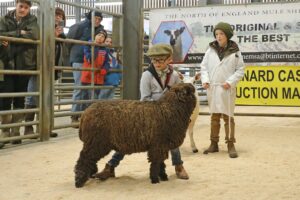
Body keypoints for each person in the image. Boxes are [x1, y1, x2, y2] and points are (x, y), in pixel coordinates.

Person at [94, 43, 189, 180]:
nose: (157, 63)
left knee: (172, 139)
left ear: (169, 59)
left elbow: (180, 96)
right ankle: (110, 166)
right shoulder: (147, 75)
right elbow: (144, 98)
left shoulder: (174, 76)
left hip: (167, 118)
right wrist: (161, 106)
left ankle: (178, 166)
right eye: (154, 60)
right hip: (149, 116)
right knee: (128, 139)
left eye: (160, 60)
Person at [200, 22, 245, 158]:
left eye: (221, 34)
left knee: (228, 117)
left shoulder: (235, 52)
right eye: (217, 34)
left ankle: (230, 144)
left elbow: (240, 70)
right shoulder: (210, 50)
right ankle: (213, 143)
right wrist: (205, 80)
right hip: (213, 87)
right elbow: (204, 67)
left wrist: (230, 82)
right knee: (214, 117)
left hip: (226, 89)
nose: (218, 37)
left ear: (227, 36)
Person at [23, 7, 69, 137]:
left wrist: (59, 37)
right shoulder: (40, 27)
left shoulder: (61, 33)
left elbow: (61, 51)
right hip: (37, 66)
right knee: (32, 95)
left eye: (61, 16)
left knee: (48, 96)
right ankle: (28, 127)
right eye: (56, 15)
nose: (58, 17)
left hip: (51, 68)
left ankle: (43, 127)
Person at [0, 0, 39, 146]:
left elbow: (34, 35)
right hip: (6, 63)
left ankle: (15, 131)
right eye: (21, 6)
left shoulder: (32, 19)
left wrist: (9, 38)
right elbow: (0, 34)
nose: (23, 9)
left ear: (29, 9)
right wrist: (19, 33)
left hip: (25, 64)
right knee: (5, 97)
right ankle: (5, 131)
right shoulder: (4, 19)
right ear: (16, 5)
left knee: (19, 98)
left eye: (26, 7)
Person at [67, 10, 105, 125]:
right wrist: (73, 55)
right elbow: (68, 41)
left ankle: (85, 115)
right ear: (90, 18)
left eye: (99, 19)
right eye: (95, 18)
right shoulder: (79, 26)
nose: (97, 21)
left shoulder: (100, 29)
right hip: (79, 59)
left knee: (89, 88)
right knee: (80, 86)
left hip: (92, 62)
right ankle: (74, 115)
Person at [80, 29, 110, 108]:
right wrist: (95, 46)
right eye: (99, 35)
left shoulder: (105, 49)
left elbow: (107, 61)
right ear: (94, 36)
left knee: (94, 98)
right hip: (88, 76)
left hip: (98, 78)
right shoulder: (88, 45)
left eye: (103, 36)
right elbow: (90, 58)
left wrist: (105, 68)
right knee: (89, 99)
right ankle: (83, 115)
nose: (100, 37)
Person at [98, 36, 122, 100]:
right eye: (107, 41)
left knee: (104, 100)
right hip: (109, 80)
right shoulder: (104, 52)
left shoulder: (113, 53)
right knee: (105, 100)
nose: (109, 43)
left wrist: (118, 77)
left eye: (111, 42)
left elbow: (114, 65)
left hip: (110, 80)